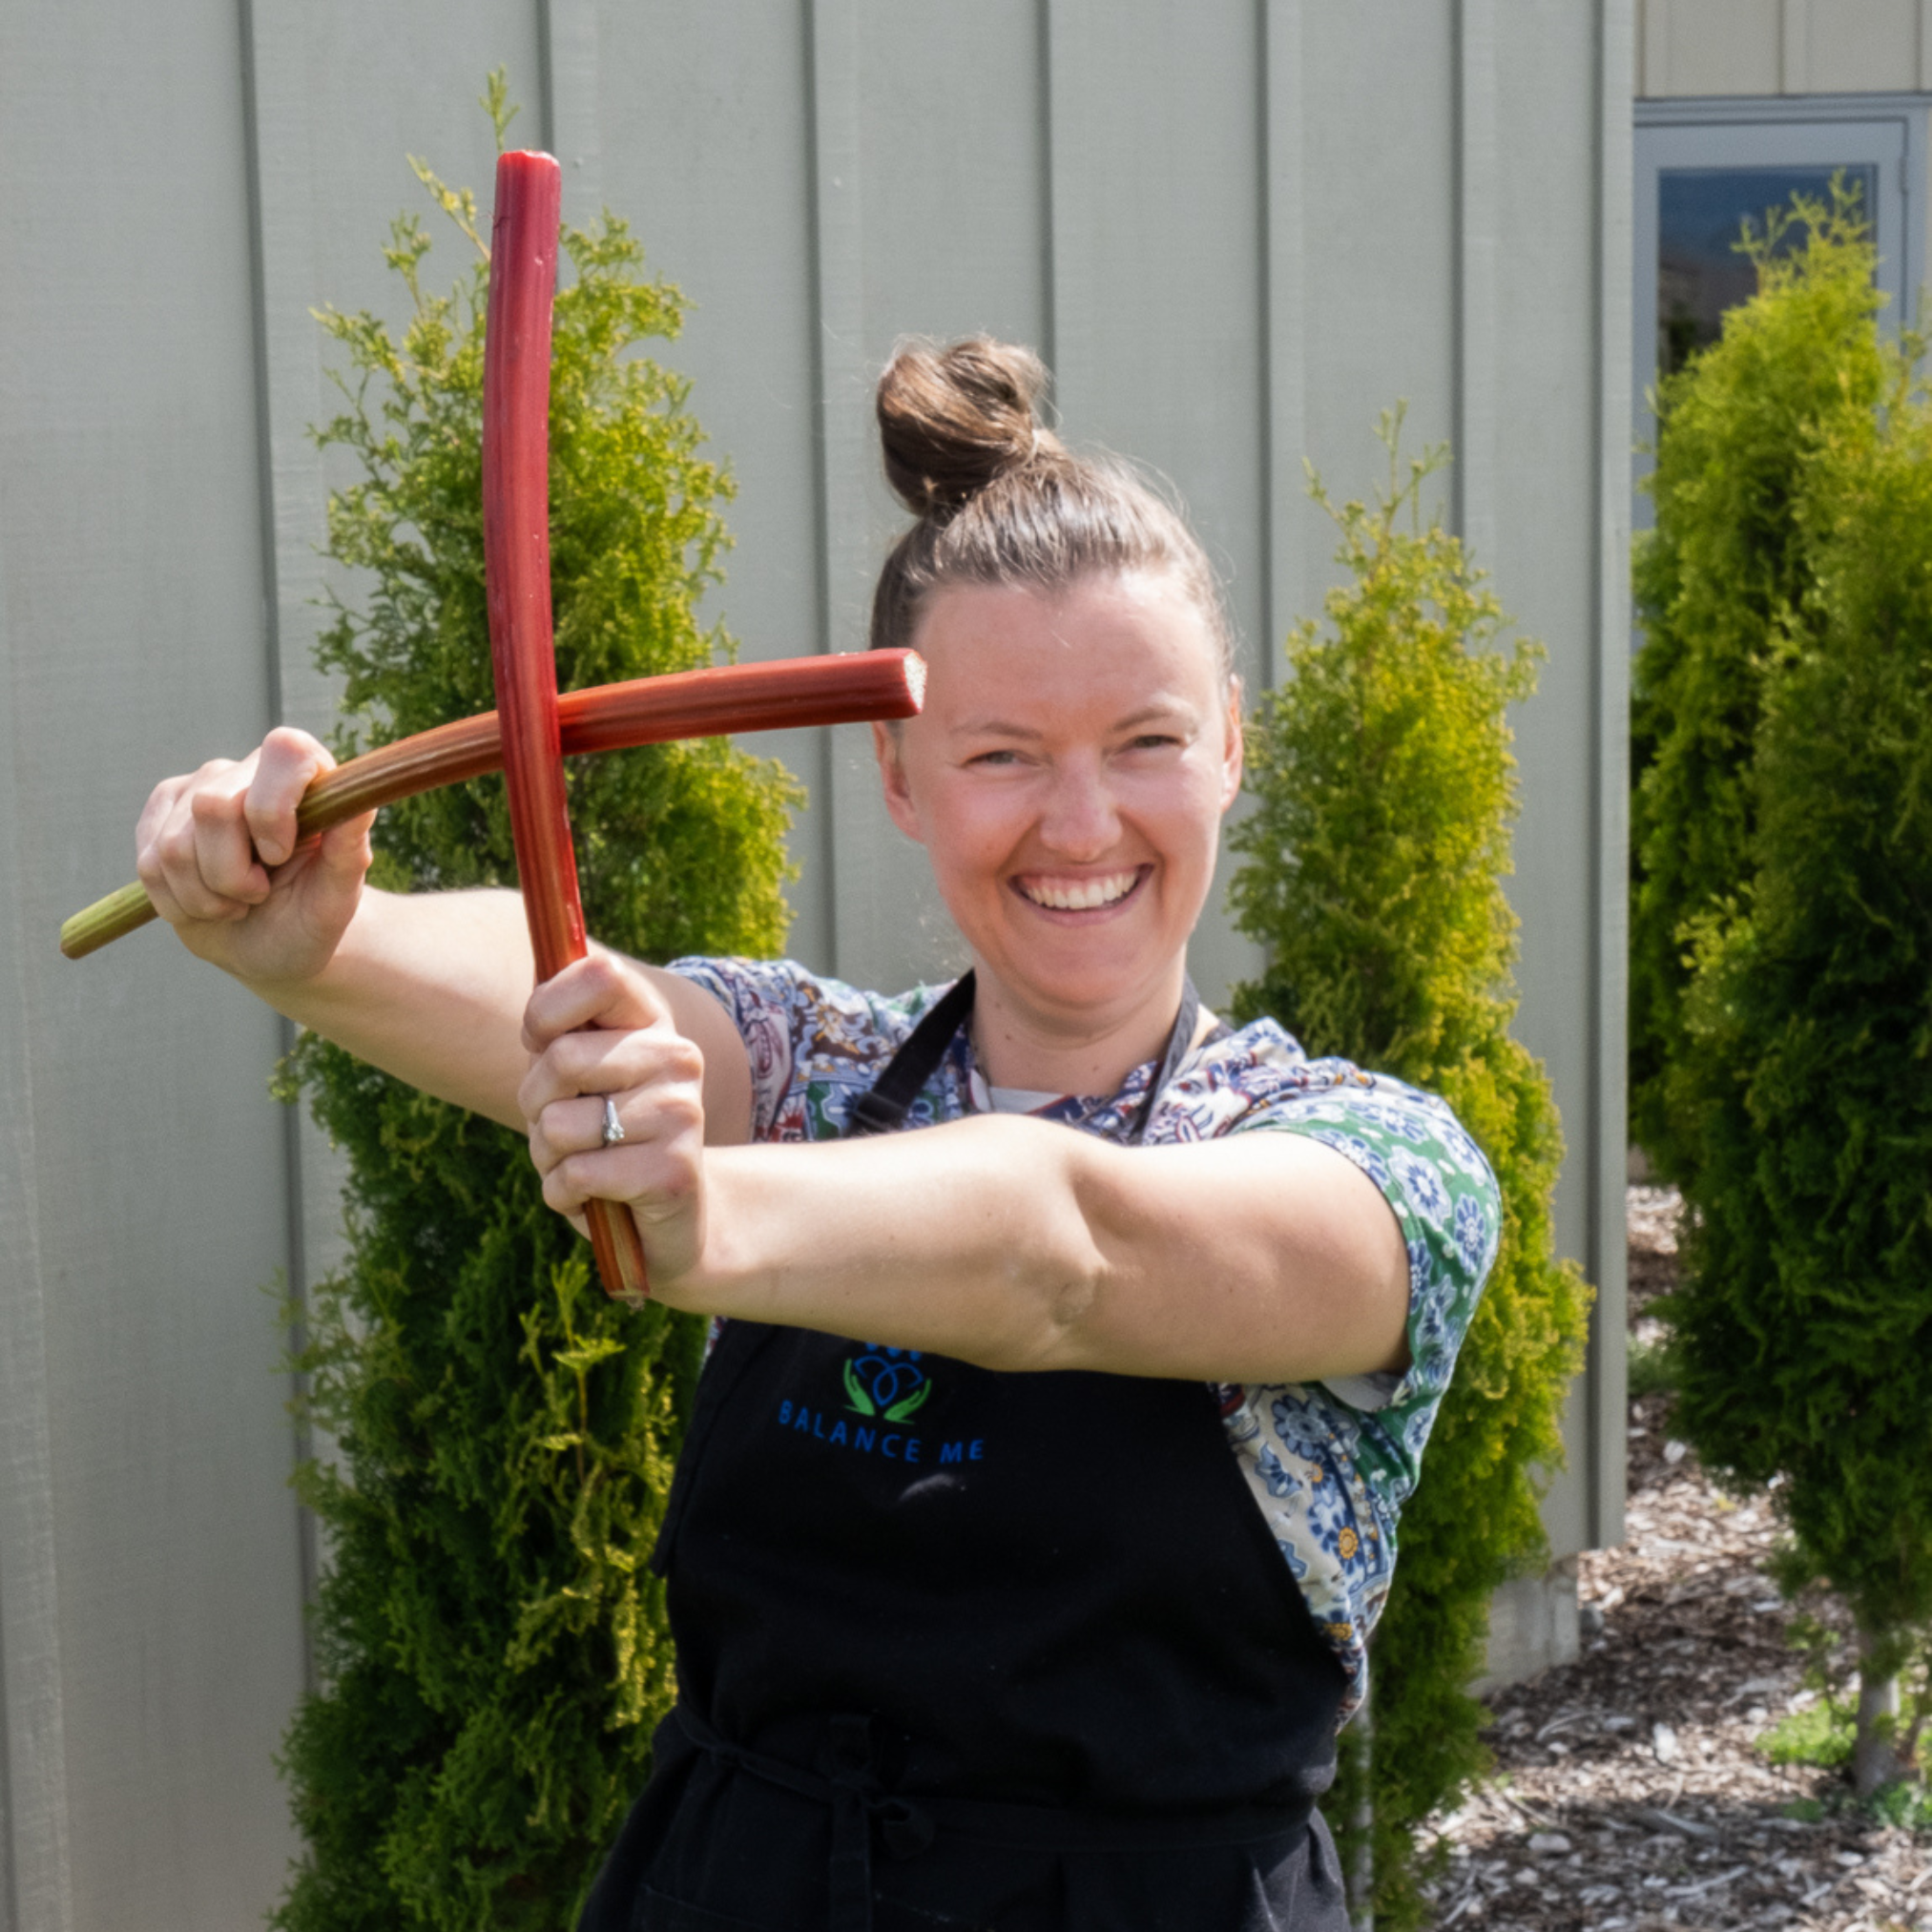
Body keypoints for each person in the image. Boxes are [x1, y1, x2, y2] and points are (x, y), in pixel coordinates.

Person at [135, 338, 1499, 1932]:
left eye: (1146, 741)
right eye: (1001, 755)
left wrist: (709, 1218)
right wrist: (310, 940)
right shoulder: (822, 1070)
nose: (1081, 824)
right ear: (901, 776)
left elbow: (1064, 1249)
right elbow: (575, 993)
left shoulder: (1375, 1168)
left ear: (1231, 750)